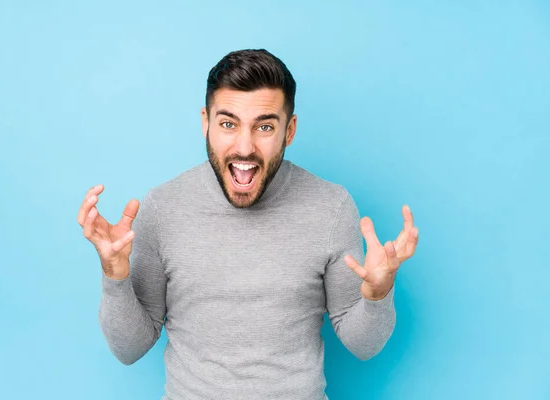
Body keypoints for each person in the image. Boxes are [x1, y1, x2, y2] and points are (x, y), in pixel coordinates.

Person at [77, 49, 419, 400]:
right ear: (205, 123)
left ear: (289, 131)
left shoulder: (330, 207)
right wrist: (115, 275)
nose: (244, 146)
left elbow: (364, 346)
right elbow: (128, 349)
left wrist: (378, 294)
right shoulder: (163, 207)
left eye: (265, 126)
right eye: (228, 124)